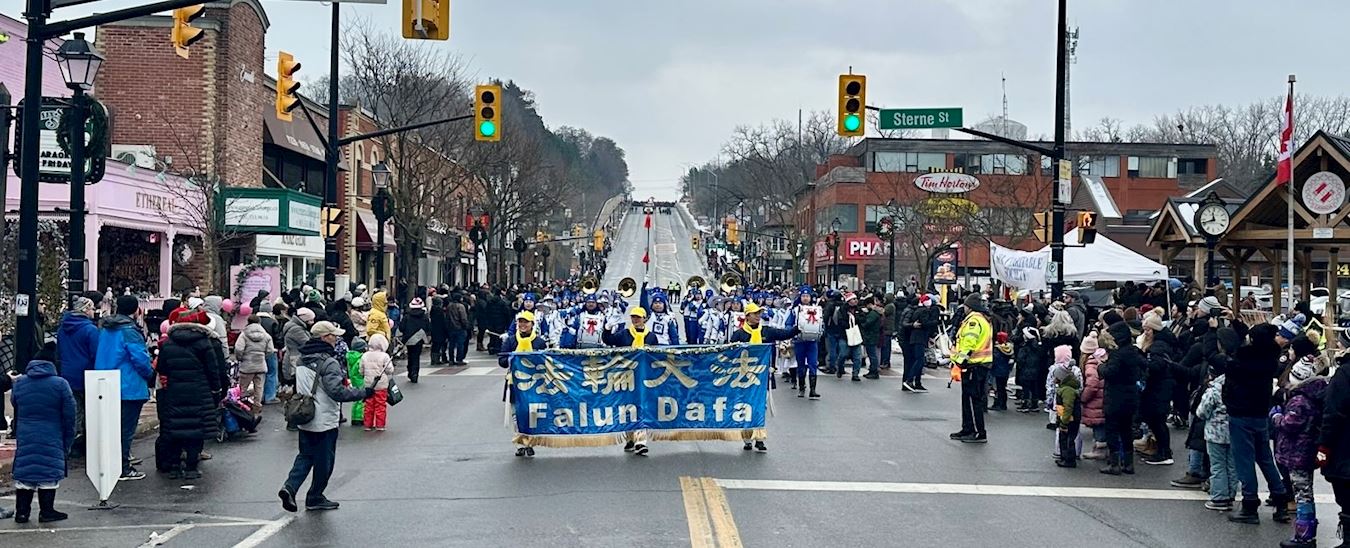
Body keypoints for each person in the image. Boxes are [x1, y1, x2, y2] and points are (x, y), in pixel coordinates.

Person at [278, 321, 377, 512]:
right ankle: (315, 496)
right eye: (333, 335)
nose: (336, 339)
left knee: (305, 456)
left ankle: (290, 486)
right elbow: (336, 392)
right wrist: (363, 393)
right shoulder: (328, 362)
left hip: (305, 415)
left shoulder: (302, 359)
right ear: (324, 338)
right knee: (325, 461)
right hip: (324, 419)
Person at [1224, 323, 1292, 524]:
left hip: (1241, 413)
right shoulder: (1270, 358)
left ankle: (1250, 503)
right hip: (1260, 413)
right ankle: (1280, 499)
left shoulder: (1242, 361)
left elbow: (1225, 360)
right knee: (1265, 458)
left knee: (1244, 460)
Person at [156, 310, 228, 480]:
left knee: (175, 429)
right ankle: (191, 467)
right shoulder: (204, 342)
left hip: (174, 391)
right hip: (199, 391)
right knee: (196, 430)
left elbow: (162, 368)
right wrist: (216, 390)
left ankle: (174, 466)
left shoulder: (168, 343)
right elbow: (213, 370)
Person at [9, 344, 76, 523]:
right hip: (51, 433)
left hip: (26, 433)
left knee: (26, 469)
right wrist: (68, 439)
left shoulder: (20, 383)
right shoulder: (60, 384)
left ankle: (22, 512)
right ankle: (47, 511)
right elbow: (70, 414)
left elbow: (15, 403)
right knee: (48, 471)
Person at [94, 295, 154, 481]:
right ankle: (122, 466)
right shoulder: (130, 330)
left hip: (105, 382)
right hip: (128, 384)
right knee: (125, 429)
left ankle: (110, 464)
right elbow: (140, 359)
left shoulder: (106, 328)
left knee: (111, 428)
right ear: (136, 310)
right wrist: (150, 373)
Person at [1271, 357, 1328, 547]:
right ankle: (1307, 531)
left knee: (1302, 494)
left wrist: (1277, 416)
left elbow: (1289, 424)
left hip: (1296, 453)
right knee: (1306, 492)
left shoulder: (1299, 401)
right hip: (1307, 452)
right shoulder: (1316, 396)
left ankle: (1304, 535)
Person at [729, 302, 799, 451]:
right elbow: (729, 353)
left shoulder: (767, 331)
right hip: (744, 377)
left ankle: (759, 438)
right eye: (755, 314)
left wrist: (799, 327)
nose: (758, 316)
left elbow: (785, 334)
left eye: (759, 313)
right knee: (746, 406)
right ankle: (747, 437)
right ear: (747, 316)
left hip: (764, 376)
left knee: (761, 406)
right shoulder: (739, 334)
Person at [602, 307, 659, 456]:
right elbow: (608, 340)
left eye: (638, 317)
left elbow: (656, 357)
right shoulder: (624, 334)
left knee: (641, 408)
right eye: (633, 317)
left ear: (645, 319)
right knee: (627, 408)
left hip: (643, 378)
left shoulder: (651, 337)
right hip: (625, 377)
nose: (635, 320)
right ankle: (630, 438)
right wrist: (607, 328)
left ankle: (641, 442)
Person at [498, 311, 550, 457]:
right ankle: (520, 444)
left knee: (531, 414)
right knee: (517, 415)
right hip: (514, 383)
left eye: (526, 322)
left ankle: (530, 443)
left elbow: (546, 362)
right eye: (520, 322)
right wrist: (512, 358)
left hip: (534, 384)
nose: (522, 325)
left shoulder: (539, 342)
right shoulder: (510, 341)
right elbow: (502, 361)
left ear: (532, 324)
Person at [57, 296, 99, 457]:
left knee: (74, 410)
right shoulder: (90, 330)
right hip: (87, 374)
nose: (94, 311)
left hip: (67, 373)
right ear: (86, 310)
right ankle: (85, 445)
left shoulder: (62, 329)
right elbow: (95, 354)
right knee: (89, 410)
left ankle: (71, 443)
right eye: (92, 308)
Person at [1316, 350, 1350, 547]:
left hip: (1344, 447)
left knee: (1346, 496)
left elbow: (1333, 413)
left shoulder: (1344, 374)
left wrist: (1324, 444)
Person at [1099, 320, 1143, 476]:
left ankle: (1114, 464)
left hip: (1115, 396)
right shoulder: (1133, 351)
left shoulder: (1117, 354)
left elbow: (1110, 372)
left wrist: (1101, 366)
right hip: (1131, 395)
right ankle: (1128, 464)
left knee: (1112, 429)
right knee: (1126, 430)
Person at [950, 294, 994, 444]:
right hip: (979, 364)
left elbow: (969, 343)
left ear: (969, 306)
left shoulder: (973, 321)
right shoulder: (982, 319)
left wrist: (959, 362)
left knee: (972, 399)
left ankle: (976, 431)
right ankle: (968, 428)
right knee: (969, 398)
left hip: (973, 365)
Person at [1139, 312, 1179, 465]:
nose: (1146, 333)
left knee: (1157, 420)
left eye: (1148, 330)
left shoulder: (1158, 346)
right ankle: (1162, 450)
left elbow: (1156, 366)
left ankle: (1164, 452)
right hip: (1161, 385)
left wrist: (1142, 362)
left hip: (1159, 387)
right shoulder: (1162, 343)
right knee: (1156, 420)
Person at [234, 315, 274, 411]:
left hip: (247, 365)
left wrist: (240, 358)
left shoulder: (244, 335)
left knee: (243, 388)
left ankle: (242, 406)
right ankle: (257, 406)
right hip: (260, 364)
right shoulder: (266, 335)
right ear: (259, 322)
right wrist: (263, 356)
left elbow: (239, 349)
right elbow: (270, 350)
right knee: (259, 388)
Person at [1079, 332, 1108, 459]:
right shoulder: (1102, 358)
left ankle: (1100, 449)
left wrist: (1084, 397)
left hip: (1096, 399)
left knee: (1098, 424)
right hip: (1104, 396)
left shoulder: (1091, 362)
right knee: (1102, 423)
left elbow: (1092, 384)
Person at [792, 290, 825, 400]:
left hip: (812, 341)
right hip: (800, 341)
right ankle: (802, 387)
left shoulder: (817, 309)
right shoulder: (795, 310)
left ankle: (813, 390)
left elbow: (821, 323)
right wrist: (793, 332)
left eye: (807, 296)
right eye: (803, 296)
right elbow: (789, 323)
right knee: (801, 365)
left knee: (813, 364)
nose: (805, 298)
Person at [904, 294, 938, 392]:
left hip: (916, 338)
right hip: (919, 338)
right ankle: (910, 380)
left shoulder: (917, 310)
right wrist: (935, 322)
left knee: (919, 359)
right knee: (920, 360)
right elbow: (925, 323)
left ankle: (917, 382)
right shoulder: (924, 311)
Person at [361, 334, 395, 431]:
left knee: (368, 405)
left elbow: (361, 370)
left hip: (368, 384)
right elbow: (390, 370)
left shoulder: (365, 355)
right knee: (380, 405)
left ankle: (368, 424)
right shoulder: (385, 356)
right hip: (381, 384)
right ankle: (380, 425)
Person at [1052, 363, 1082, 468]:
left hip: (1069, 419)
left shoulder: (1067, 390)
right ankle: (1065, 457)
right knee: (1066, 438)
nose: (1054, 379)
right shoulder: (1066, 388)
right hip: (1069, 418)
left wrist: (1064, 422)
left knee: (1067, 439)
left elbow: (1068, 407)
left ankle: (1069, 460)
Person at [259, 301, 287, 404]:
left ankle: (260, 396)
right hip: (271, 350)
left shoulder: (254, 320)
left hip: (257, 351)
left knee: (260, 375)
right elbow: (277, 338)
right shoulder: (272, 322)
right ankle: (270, 396)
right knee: (271, 373)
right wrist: (281, 347)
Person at [282, 307, 315, 390]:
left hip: (293, 358)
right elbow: (307, 343)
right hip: (295, 360)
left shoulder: (294, 326)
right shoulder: (296, 330)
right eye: (310, 320)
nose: (312, 322)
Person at [400, 299, 430, 383]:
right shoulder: (424, 317)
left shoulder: (407, 316)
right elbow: (428, 327)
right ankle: (415, 373)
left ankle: (410, 371)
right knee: (416, 357)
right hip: (420, 339)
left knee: (410, 355)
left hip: (409, 339)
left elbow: (401, 327)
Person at [857, 296, 883, 380]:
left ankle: (874, 371)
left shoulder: (873, 314)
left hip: (871, 336)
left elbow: (866, 324)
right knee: (872, 354)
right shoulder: (875, 313)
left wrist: (863, 318)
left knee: (872, 355)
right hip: (872, 335)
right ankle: (873, 370)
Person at [990, 332, 1013, 411]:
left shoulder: (997, 349)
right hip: (1005, 371)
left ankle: (997, 404)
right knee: (1003, 388)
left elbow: (994, 360)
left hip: (997, 371)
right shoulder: (1009, 348)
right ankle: (1003, 404)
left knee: (997, 388)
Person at [447, 293, 470, 365]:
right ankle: (459, 359)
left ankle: (451, 359)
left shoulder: (449, 306)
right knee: (460, 344)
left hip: (451, 327)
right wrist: (466, 326)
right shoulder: (460, 306)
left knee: (451, 344)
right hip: (460, 327)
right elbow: (463, 318)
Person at [429, 295, 450, 365]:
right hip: (440, 330)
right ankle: (437, 359)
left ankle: (434, 359)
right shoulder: (440, 311)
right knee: (440, 345)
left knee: (435, 345)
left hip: (434, 330)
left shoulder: (433, 310)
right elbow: (443, 322)